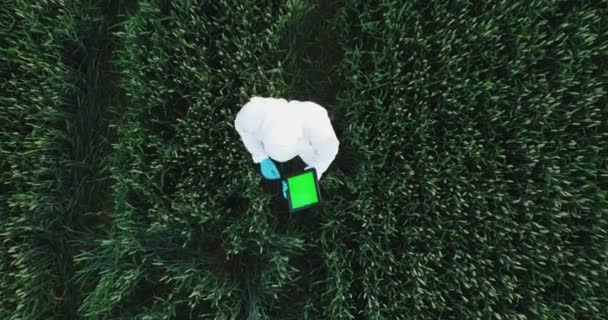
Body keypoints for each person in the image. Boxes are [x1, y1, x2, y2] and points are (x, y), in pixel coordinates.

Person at [235, 97, 339, 197]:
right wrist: (261, 157)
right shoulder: (252, 113)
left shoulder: (316, 121)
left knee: (318, 159)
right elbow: (242, 128)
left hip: (309, 145)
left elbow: (330, 150)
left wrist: (311, 175)